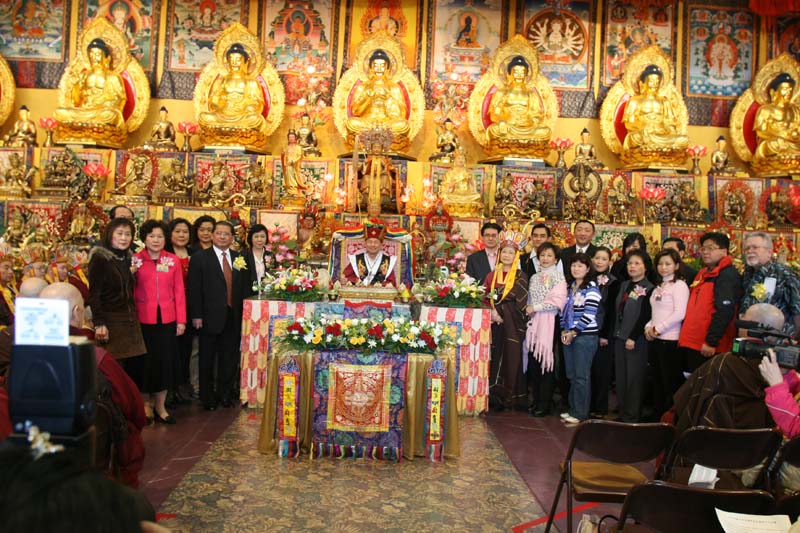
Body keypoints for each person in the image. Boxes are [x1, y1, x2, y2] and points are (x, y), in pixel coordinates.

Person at [39, 282, 147, 488]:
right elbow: (135, 410)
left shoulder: (22, 360)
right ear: (77, 312)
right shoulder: (97, 359)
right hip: (93, 461)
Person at [673, 303, 784, 435]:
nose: (740, 317)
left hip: (713, 439)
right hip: (758, 442)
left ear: (752, 326)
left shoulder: (723, 363)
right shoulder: (782, 370)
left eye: (744, 316)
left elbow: (686, 403)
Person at [188, 221, 248, 410]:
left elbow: (243, 287)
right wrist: (196, 315)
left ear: (232, 237)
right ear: (213, 235)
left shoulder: (238, 258)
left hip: (233, 316)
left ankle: (225, 394)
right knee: (207, 359)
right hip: (208, 317)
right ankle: (207, 397)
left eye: (226, 234)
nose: (222, 237)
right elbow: (194, 289)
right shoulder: (200, 258)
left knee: (229, 358)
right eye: (219, 233)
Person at [131, 220, 186, 425]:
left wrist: (181, 320)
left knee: (164, 363)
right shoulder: (135, 260)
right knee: (144, 364)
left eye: (160, 236)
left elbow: (179, 291)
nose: (156, 240)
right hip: (142, 319)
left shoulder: (172, 260)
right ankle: (145, 405)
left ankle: (161, 407)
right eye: (151, 236)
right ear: (144, 238)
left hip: (167, 319)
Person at [678, 232, 742, 372]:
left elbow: (725, 310)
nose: (705, 252)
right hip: (694, 341)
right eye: (703, 248)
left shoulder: (727, 275)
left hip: (709, 346)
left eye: (711, 248)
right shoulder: (703, 273)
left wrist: (711, 341)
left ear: (724, 251)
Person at [87, 218, 146, 367]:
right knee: (112, 367)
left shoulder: (127, 258)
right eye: (119, 233)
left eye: (128, 234)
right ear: (110, 234)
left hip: (128, 320)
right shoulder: (100, 259)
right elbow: (94, 294)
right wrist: (99, 323)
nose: (124, 238)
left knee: (127, 368)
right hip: (110, 321)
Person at [484, 230, 529, 411]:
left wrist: (502, 312)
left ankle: (511, 397)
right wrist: (493, 312)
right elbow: (484, 297)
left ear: (516, 255)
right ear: (500, 253)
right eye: (504, 252)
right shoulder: (491, 275)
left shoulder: (521, 276)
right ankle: (494, 396)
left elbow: (520, 301)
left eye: (511, 252)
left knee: (511, 358)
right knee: (494, 358)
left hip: (512, 325)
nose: (507, 255)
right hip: (494, 324)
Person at [644, 248, 689, 417]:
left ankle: (670, 419)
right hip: (655, 339)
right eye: (660, 264)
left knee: (669, 383)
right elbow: (654, 312)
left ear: (676, 266)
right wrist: (648, 327)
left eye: (668, 264)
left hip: (670, 340)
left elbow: (679, 313)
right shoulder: (659, 286)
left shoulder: (680, 286)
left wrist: (658, 329)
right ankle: (658, 416)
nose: (663, 267)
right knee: (656, 381)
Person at [524, 242, 566, 417]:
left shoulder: (559, 277)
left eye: (549, 255)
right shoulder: (534, 277)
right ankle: (536, 400)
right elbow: (529, 299)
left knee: (546, 362)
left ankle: (545, 404)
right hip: (534, 324)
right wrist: (530, 309)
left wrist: (536, 307)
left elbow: (558, 302)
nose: (545, 258)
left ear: (555, 259)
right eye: (542, 255)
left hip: (550, 323)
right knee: (534, 362)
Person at [559, 253, 601, 423]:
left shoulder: (591, 288)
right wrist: (564, 330)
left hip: (584, 336)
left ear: (588, 269)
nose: (576, 269)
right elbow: (563, 311)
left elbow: (589, 314)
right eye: (573, 265)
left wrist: (574, 332)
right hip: (569, 334)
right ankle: (573, 409)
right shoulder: (570, 287)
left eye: (580, 266)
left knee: (581, 376)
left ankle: (580, 413)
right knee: (571, 374)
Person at [613, 250, 654, 422]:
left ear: (645, 267)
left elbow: (645, 316)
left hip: (636, 340)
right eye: (630, 263)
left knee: (634, 378)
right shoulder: (624, 285)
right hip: (620, 337)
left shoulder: (649, 288)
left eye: (637, 263)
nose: (632, 266)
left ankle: (632, 415)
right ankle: (623, 412)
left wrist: (633, 336)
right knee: (621, 377)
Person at [54, 38, 126, 129]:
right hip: (84, 110)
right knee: (60, 112)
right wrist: (76, 86)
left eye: (98, 54)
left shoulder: (112, 77)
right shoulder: (83, 76)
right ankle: (86, 123)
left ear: (106, 58)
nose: (94, 58)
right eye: (91, 54)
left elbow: (120, 100)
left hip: (101, 111)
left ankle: (84, 124)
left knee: (110, 114)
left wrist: (101, 104)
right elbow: (76, 102)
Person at [198, 43, 267, 135]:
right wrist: (220, 106)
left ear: (245, 62)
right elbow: (213, 103)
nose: (234, 63)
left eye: (238, 60)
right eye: (231, 59)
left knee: (256, 119)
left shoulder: (251, 82)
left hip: (242, 118)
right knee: (203, 117)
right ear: (227, 62)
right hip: (222, 116)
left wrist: (246, 108)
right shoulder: (221, 81)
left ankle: (226, 130)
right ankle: (229, 129)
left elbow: (257, 104)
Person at [740, 231, 800, 334]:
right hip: (749, 334)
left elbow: (797, 309)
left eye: (755, 247)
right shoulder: (746, 274)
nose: (750, 251)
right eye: (747, 248)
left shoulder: (784, 274)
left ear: (769, 252)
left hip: (777, 337)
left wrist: (793, 338)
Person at [345, 49, 410, 142]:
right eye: (375, 66)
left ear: (387, 69)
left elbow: (401, 114)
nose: (379, 69)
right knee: (351, 123)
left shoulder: (394, 88)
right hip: (367, 122)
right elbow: (355, 111)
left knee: (403, 125)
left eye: (382, 66)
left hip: (387, 123)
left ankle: (383, 134)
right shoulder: (363, 86)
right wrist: (368, 98)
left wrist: (389, 99)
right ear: (370, 68)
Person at [621, 64, 689, 153]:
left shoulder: (664, 101)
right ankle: (655, 147)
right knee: (635, 137)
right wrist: (643, 128)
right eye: (651, 81)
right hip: (642, 134)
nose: (655, 84)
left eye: (657, 81)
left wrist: (665, 129)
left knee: (683, 140)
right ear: (642, 83)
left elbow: (671, 124)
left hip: (660, 134)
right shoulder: (634, 101)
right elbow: (629, 124)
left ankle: (655, 147)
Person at [486, 55, 551, 144]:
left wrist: (530, 121)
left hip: (527, 128)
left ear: (526, 75)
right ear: (509, 74)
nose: (519, 75)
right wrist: (502, 122)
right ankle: (524, 142)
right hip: (508, 127)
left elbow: (537, 115)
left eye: (523, 72)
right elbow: (494, 114)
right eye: (516, 72)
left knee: (545, 131)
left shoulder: (531, 94)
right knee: (493, 130)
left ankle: (520, 141)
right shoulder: (501, 93)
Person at [165, 218, 193, 406]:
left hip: (189, 308)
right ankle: (168, 390)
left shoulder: (195, 254)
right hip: (169, 307)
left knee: (185, 350)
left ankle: (181, 388)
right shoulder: (165, 254)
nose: (182, 235)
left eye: (185, 232)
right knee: (170, 350)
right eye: (177, 231)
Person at [590, 246, 620, 417]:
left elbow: (611, 311)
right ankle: (589, 405)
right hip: (587, 330)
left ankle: (600, 408)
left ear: (610, 262)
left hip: (603, 333)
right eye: (597, 258)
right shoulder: (588, 278)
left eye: (604, 259)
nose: (600, 262)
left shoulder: (614, 282)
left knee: (602, 372)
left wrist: (604, 335)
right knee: (589, 370)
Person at [753, 73, 800, 163]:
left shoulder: (795, 110)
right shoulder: (765, 110)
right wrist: (780, 135)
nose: (788, 93)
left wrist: (794, 135)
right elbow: (760, 132)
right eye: (785, 89)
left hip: (792, 143)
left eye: (790, 90)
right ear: (773, 92)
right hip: (775, 143)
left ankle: (790, 158)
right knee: (773, 144)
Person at [342, 222, 397, 286]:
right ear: (365, 244)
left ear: (381, 245)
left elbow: (391, 282)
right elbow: (346, 277)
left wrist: (380, 285)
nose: (372, 245)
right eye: (370, 242)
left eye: (376, 242)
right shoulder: (357, 259)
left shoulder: (387, 261)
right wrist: (347, 280)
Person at [243, 223, 273, 289]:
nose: (259, 240)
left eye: (262, 236)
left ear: (266, 238)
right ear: (251, 238)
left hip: (267, 292)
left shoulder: (270, 255)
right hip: (248, 293)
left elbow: (274, 275)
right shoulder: (243, 255)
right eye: (256, 237)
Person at [281, 129, 307, 198]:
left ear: (295, 138)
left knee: (293, 178)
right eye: (289, 137)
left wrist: (293, 161)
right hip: (288, 166)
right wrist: (283, 155)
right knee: (287, 178)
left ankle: (294, 191)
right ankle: (289, 192)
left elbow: (300, 156)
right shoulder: (286, 147)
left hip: (294, 166)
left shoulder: (298, 148)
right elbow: (284, 157)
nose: (291, 138)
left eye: (292, 137)